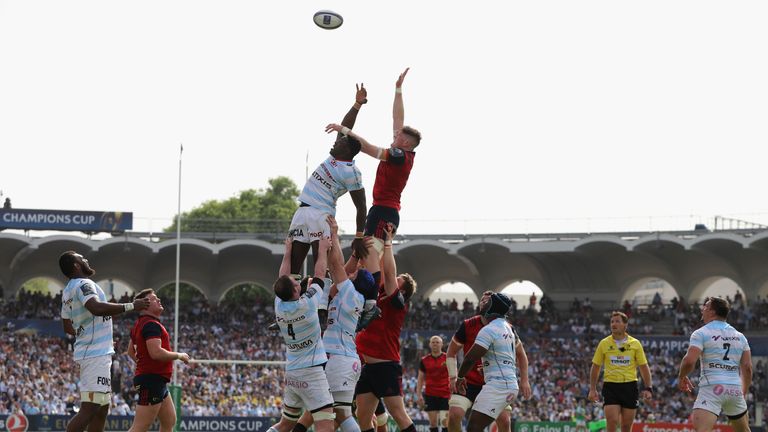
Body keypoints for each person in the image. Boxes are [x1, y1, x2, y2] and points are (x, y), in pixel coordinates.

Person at [325, 68, 421, 255]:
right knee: (364, 258)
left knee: (370, 259)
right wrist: (398, 90)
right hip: (382, 210)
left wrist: (344, 130)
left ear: (406, 143)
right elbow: (398, 118)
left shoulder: (399, 156)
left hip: (384, 211)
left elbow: (368, 148)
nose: (395, 133)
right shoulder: (402, 151)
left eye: (399, 135)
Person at [59, 251, 150, 432]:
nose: (85, 259)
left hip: (95, 352)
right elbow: (96, 308)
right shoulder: (84, 284)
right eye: (81, 258)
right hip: (95, 355)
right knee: (90, 408)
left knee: (101, 409)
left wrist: (94, 335)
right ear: (76, 265)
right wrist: (132, 306)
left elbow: (68, 327)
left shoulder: (68, 290)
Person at [288, 84, 370, 277]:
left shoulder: (352, 172)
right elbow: (346, 128)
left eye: (340, 141)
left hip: (321, 215)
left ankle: (321, 305)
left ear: (348, 150)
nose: (336, 141)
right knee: (293, 265)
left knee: (321, 263)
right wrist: (357, 104)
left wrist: (359, 235)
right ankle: (293, 302)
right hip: (303, 211)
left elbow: (362, 206)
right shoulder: (335, 155)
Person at [267, 236, 336, 432]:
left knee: (286, 424)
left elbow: (284, 275)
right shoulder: (307, 304)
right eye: (296, 283)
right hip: (312, 371)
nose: (298, 282)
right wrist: (322, 249)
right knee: (325, 425)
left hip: (293, 372)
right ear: (296, 290)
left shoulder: (279, 305)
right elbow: (320, 273)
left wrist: (288, 250)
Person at [354, 224, 418, 432]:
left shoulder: (397, 302)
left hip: (385, 366)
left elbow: (389, 273)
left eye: (398, 281)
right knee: (362, 416)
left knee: (399, 415)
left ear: (403, 291)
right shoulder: (380, 294)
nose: (392, 280)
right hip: (370, 367)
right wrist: (378, 241)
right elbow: (382, 269)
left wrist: (388, 243)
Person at [446, 291, 523, 432]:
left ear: (493, 307)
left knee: (475, 427)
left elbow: (470, 358)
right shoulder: (506, 328)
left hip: (497, 386)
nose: (483, 303)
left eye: (488, 302)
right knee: (473, 425)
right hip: (504, 384)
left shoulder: (489, 329)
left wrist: (460, 377)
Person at [678, 297, 752, 432]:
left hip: (712, 388)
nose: (702, 309)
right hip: (734, 389)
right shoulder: (740, 336)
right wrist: (743, 391)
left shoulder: (701, 333)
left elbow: (689, 361)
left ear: (712, 312)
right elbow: (747, 368)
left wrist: (682, 376)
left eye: (705, 306)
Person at [126, 288, 190, 432]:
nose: (159, 300)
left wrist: (143, 365)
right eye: (155, 299)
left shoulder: (140, 324)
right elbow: (156, 353)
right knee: (140, 426)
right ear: (145, 306)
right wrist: (179, 355)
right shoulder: (150, 324)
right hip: (151, 380)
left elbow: (131, 351)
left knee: (169, 420)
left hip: (155, 379)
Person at [588, 311, 653, 432]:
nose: (613, 324)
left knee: (625, 427)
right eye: (612, 321)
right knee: (612, 421)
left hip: (630, 387)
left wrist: (648, 388)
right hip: (611, 386)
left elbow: (644, 367)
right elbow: (596, 366)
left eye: (617, 321)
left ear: (625, 325)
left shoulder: (635, 344)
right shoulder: (604, 343)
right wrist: (592, 389)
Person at [417, 336, 451, 432]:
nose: (435, 344)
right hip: (430, 395)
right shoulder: (424, 360)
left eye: (437, 342)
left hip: (445, 394)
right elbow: (420, 379)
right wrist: (419, 395)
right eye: (433, 342)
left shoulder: (447, 358)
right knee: (432, 423)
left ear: (441, 344)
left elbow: (454, 376)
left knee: (445, 423)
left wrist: (453, 392)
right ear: (429, 344)